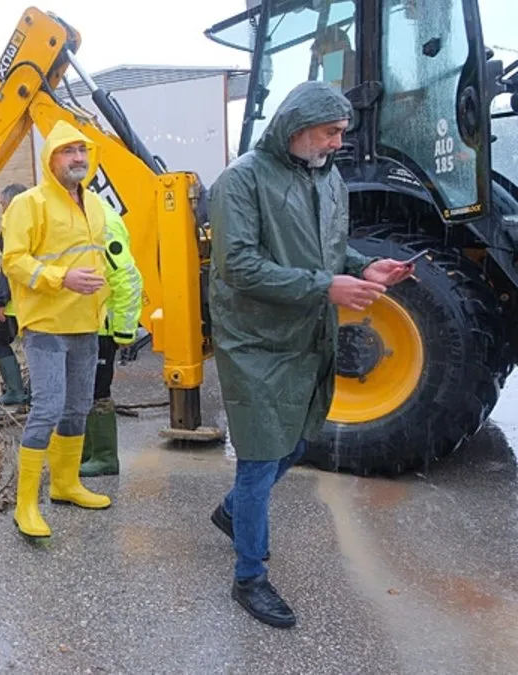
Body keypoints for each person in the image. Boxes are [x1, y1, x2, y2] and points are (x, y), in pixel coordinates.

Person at [206, 81, 414, 628]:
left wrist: (363, 265)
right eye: (331, 131)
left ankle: (231, 513)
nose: (338, 142)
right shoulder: (242, 179)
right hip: (254, 339)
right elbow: (237, 265)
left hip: (305, 331)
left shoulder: (327, 177)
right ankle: (249, 577)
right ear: (297, 128)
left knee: (297, 439)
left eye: (342, 132)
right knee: (259, 456)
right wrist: (327, 286)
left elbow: (328, 248)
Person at [1, 120, 114, 539]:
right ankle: (25, 504)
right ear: (50, 159)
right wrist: (60, 278)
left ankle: (66, 484)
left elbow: (102, 260)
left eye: (82, 150)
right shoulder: (28, 203)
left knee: (78, 406)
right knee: (47, 408)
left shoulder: (96, 205)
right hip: (47, 324)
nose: (78, 158)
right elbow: (14, 260)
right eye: (68, 151)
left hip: (86, 323)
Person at [80, 204, 143, 477]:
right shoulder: (88, 217)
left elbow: (128, 279)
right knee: (84, 390)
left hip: (102, 326)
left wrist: (125, 332)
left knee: (97, 391)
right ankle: (86, 452)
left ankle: (104, 457)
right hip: (87, 323)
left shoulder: (101, 224)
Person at [0, 182, 31, 406]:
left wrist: (0, 301)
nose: (2, 210)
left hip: (16, 302)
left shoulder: (12, 229)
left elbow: (8, 269)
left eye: (2, 204)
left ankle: (16, 391)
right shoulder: (35, 224)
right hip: (34, 301)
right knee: (37, 346)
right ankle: (36, 392)